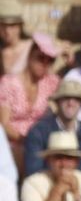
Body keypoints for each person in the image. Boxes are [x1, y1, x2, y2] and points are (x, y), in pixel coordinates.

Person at [23, 82, 81, 183]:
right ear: (57, 102)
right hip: (46, 191)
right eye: (66, 98)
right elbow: (33, 172)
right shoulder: (38, 132)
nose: (70, 103)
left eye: (76, 99)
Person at [1, 35, 63, 167]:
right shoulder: (9, 83)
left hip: (40, 142)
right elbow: (4, 124)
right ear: (30, 55)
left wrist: (70, 63)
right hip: (12, 142)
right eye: (40, 58)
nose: (45, 64)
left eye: (50, 60)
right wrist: (26, 140)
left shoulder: (51, 82)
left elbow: (71, 97)